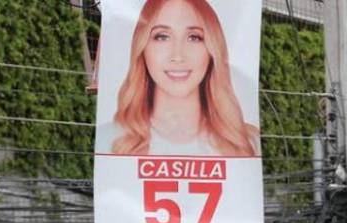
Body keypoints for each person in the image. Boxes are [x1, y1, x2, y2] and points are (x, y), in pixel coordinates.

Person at [104, 0, 260, 157]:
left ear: (213, 49)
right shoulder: (110, 141)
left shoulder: (247, 142)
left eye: (194, 37)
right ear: (142, 47)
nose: (178, 56)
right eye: (162, 37)